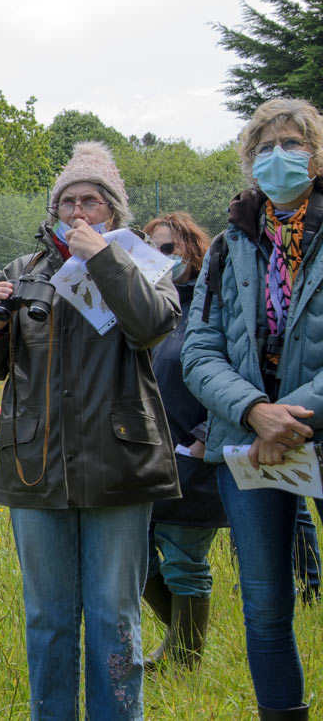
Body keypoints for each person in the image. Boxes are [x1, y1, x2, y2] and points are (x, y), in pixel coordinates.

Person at [0, 142, 180, 720]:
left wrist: (104, 261)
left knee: (115, 615)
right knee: (48, 615)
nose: (78, 211)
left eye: (91, 200)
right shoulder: (24, 272)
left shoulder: (144, 263)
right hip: (36, 462)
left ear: (114, 209)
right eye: (68, 201)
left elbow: (153, 326)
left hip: (119, 462)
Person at [182, 97, 323, 720]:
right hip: (249, 440)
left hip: (304, 431)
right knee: (265, 607)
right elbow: (199, 351)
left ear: (316, 157)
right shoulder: (227, 245)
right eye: (264, 148)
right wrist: (255, 412)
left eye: (291, 144)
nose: (277, 157)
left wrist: (284, 418)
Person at [140, 212, 227, 671]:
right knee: (137, 561)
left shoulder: (213, 307)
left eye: (169, 249)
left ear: (194, 252)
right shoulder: (143, 308)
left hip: (193, 457)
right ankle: (179, 641)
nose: (160, 258)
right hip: (143, 459)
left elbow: (232, 372)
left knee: (184, 561)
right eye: (151, 249)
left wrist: (204, 439)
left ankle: (185, 662)